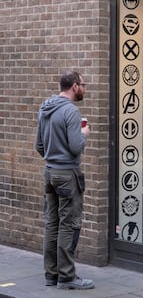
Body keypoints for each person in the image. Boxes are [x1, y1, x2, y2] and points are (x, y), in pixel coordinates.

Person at [35, 71, 95, 290]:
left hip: (50, 172)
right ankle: (67, 277)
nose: (85, 88)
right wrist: (85, 133)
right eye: (83, 84)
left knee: (52, 224)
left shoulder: (45, 108)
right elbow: (75, 146)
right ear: (74, 87)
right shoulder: (71, 111)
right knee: (68, 224)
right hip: (67, 174)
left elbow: (39, 146)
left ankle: (51, 275)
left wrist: (53, 158)